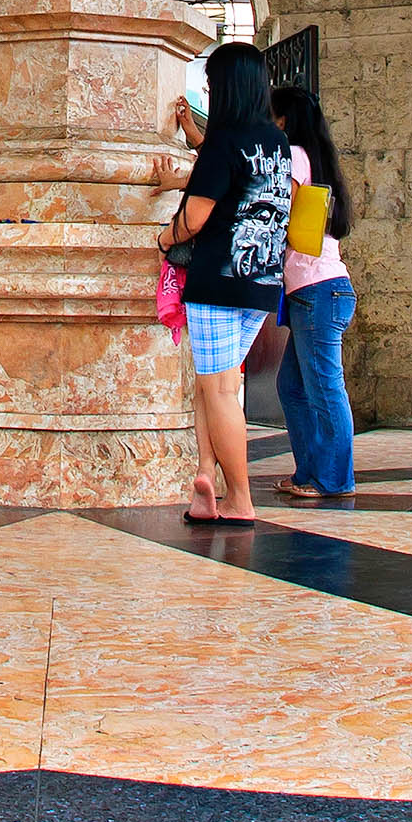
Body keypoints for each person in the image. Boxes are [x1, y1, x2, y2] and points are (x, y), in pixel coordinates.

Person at [155, 42, 290, 525]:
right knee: (213, 384)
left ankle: (240, 499)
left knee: (219, 390)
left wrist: (165, 238)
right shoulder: (274, 143)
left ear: (225, 87)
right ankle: (205, 478)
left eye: (212, 83)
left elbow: (194, 218)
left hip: (219, 283)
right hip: (261, 282)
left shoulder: (224, 142)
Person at [271, 85, 357, 504]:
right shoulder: (320, 160)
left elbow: (273, 204)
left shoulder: (295, 157)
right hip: (323, 290)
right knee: (293, 385)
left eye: (272, 116)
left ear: (284, 120)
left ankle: (334, 479)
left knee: (324, 388)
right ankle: (310, 470)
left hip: (316, 290)